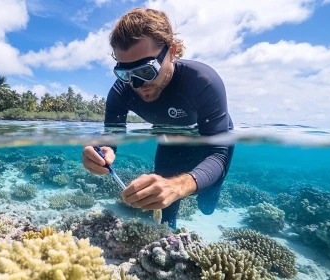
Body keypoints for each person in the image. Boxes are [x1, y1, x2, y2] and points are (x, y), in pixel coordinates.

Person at [81, 8, 235, 230]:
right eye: (126, 73)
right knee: (165, 215)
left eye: (146, 70)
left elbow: (218, 155)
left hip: (210, 146)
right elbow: (111, 138)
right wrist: (100, 150)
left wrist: (179, 186)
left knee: (206, 205)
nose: (137, 85)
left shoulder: (203, 82)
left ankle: (210, 193)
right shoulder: (121, 91)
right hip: (171, 142)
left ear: (172, 51)